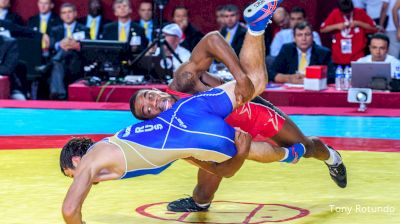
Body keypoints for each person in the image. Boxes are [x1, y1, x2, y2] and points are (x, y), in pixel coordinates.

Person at [60, 1, 284, 223]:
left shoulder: (91, 160)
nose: (78, 180)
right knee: (256, 82)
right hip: (184, 115)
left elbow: (70, 210)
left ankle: (290, 154)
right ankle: (255, 26)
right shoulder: (115, 146)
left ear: (77, 160)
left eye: (73, 175)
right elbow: (215, 167)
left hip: (185, 126)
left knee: (239, 146)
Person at [131, 6, 347, 215]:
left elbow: (212, 39)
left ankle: (331, 157)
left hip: (253, 111)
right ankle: (200, 203)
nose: (153, 105)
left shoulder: (182, 82)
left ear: (154, 89)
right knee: (204, 189)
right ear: (151, 119)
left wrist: (240, 78)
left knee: (306, 147)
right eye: (147, 110)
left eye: (149, 97)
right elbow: (219, 168)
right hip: (226, 138)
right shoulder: (172, 128)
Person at [47, 3, 89, 100]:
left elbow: (86, 47)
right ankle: (61, 94)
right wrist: (60, 44)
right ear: (61, 16)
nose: (67, 15)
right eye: (64, 13)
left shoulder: (84, 29)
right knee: (59, 60)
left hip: (76, 61)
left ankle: (57, 93)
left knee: (58, 60)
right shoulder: (55, 30)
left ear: (75, 14)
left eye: (69, 12)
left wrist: (74, 46)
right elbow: (52, 45)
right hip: (62, 62)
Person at [320, 0, 377, 66]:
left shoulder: (359, 12)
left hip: (358, 56)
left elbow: (374, 28)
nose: (347, 15)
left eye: (349, 12)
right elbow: (322, 29)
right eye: (344, 13)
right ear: (340, 10)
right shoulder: (335, 13)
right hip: (339, 57)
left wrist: (358, 23)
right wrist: (336, 26)